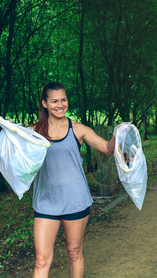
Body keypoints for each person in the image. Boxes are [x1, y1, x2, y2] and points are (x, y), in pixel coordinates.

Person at [31, 82, 121, 278]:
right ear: (44, 104)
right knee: (41, 261)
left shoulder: (78, 129)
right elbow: (13, 155)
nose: (60, 105)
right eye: (54, 101)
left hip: (75, 200)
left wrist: (118, 133)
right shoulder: (33, 132)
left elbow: (107, 148)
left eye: (64, 100)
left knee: (74, 252)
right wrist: (10, 131)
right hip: (46, 203)